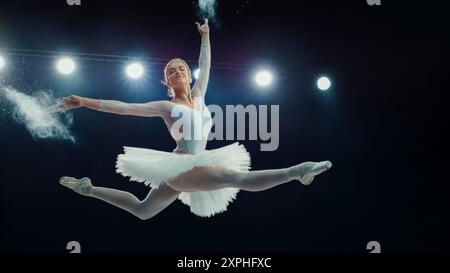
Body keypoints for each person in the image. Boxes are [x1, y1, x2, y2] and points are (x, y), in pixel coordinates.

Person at [58, 19, 332, 219]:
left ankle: (90, 189)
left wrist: (205, 36)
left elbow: (207, 64)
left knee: (143, 210)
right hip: (183, 164)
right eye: (171, 70)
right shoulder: (166, 106)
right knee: (236, 178)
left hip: (189, 167)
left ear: (189, 76)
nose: (177, 70)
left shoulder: (199, 94)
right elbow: (124, 108)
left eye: (181, 68)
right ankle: (299, 171)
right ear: (166, 81)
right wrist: (84, 101)